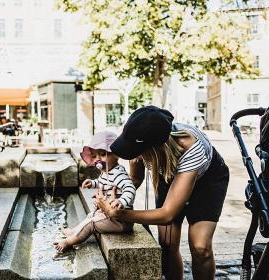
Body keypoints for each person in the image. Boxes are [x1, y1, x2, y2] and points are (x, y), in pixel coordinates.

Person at [95, 105, 229, 280]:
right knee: (167, 243)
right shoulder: (138, 138)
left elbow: (167, 214)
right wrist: (116, 197)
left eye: (140, 154)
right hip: (168, 173)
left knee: (200, 247)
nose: (136, 158)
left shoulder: (191, 148)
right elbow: (134, 179)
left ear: (155, 149)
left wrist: (119, 213)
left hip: (207, 182)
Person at [53, 130, 136, 252]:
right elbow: (101, 182)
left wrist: (122, 201)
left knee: (91, 224)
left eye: (102, 154)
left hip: (120, 221)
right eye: (94, 156)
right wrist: (92, 183)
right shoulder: (106, 172)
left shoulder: (119, 174)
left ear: (116, 154)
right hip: (109, 216)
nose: (98, 160)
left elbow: (130, 188)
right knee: (90, 216)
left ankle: (69, 242)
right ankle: (74, 231)